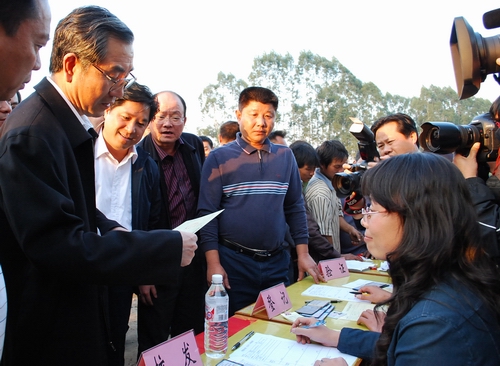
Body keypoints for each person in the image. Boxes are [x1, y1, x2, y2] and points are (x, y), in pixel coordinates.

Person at [0, 6, 197, 365]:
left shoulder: (60, 126)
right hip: (52, 336)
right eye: (114, 74)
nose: (120, 87)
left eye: (127, 75)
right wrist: (162, 248)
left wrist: (116, 230)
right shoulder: (33, 133)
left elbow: (76, 212)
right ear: (74, 65)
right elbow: (59, 245)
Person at [291, 153, 500, 365]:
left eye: (372, 210)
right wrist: (334, 336)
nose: (364, 222)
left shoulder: (435, 325)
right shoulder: (447, 280)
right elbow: (401, 345)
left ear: (416, 217)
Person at [198, 86, 323, 315]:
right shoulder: (219, 158)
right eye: (253, 114)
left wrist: (303, 254)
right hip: (234, 265)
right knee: (237, 330)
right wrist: (213, 263)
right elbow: (207, 214)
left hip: (277, 264)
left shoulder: (285, 157)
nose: (261, 122)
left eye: (268, 116)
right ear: (239, 116)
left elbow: (295, 208)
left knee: (277, 325)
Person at [94, 82, 160, 366]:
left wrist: (144, 271)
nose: (132, 128)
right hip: (81, 264)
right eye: (126, 117)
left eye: (141, 123)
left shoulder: (146, 165)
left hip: (122, 269)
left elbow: (151, 221)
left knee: (115, 341)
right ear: (109, 110)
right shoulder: (79, 153)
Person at [137, 91, 206, 355]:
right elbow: (139, 220)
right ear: (151, 120)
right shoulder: (139, 155)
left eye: (175, 117)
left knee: (189, 334)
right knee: (154, 339)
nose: (168, 124)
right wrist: (143, 273)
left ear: (185, 120)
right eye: (161, 116)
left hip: (192, 257)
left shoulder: (193, 145)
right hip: (159, 260)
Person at [305, 140, 363, 253]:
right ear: (322, 164)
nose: (341, 170)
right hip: (325, 261)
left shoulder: (332, 183)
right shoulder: (320, 193)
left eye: (343, 165)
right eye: (337, 166)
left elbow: (335, 215)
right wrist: (336, 258)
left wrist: (350, 229)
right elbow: (324, 234)